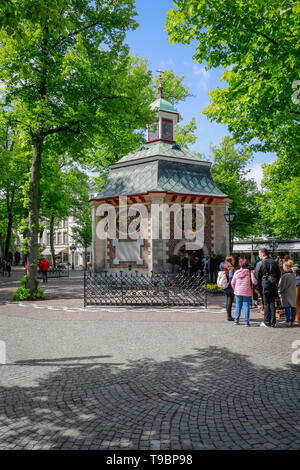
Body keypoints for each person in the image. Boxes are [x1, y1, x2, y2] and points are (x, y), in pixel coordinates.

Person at [255, 248, 281, 328]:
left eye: (259, 254)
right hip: (273, 284)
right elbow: (279, 274)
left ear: (263, 254)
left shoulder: (260, 263)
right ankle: (273, 322)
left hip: (264, 284)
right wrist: (275, 282)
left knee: (266, 303)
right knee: (272, 303)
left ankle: (267, 322)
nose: (258, 255)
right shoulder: (274, 262)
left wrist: (258, 286)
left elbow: (257, 275)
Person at [232, 259, 258, 326]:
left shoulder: (236, 272)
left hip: (238, 292)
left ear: (240, 265)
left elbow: (232, 283)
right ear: (247, 265)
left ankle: (236, 320)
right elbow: (255, 282)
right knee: (246, 306)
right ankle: (246, 322)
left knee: (238, 306)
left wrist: (235, 289)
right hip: (247, 292)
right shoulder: (250, 272)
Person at [279, 260, 297, 326]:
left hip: (286, 293)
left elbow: (282, 286)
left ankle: (288, 321)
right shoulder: (294, 275)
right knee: (293, 307)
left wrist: (280, 292)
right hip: (293, 293)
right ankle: (293, 320)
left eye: (283, 266)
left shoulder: (285, 276)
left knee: (287, 307)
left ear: (286, 267)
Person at [223, 256, 235, 321]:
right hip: (230, 285)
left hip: (225, 285)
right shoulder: (231, 267)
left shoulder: (224, 266)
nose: (234, 261)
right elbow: (231, 276)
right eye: (233, 260)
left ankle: (228, 315)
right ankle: (229, 316)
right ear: (230, 260)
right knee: (230, 300)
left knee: (227, 300)